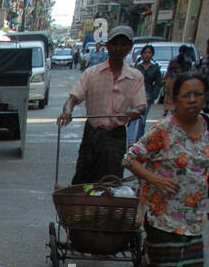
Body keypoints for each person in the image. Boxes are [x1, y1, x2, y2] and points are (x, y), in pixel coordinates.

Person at [120, 73, 209, 267]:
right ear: (174, 100)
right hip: (161, 213)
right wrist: (155, 179)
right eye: (186, 95)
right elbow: (130, 158)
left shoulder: (208, 125)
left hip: (194, 213)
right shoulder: (164, 129)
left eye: (198, 94)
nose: (192, 100)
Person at [57, 26, 148, 185]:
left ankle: (107, 208)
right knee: (83, 180)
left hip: (116, 135)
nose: (118, 48)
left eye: (123, 44)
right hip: (93, 134)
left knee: (112, 182)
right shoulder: (91, 73)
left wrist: (133, 112)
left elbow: (141, 106)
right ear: (108, 46)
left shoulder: (135, 77)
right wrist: (67, 112)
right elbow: (73, 97)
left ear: (129, 47)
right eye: (115, 44)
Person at [129, 44, 164, 143]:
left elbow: (158, 83)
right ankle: (130, 141)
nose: (147, 55)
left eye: (149, 53)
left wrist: (153, 96)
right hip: (135, 95)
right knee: (133, 117)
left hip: (147, 95)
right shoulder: (137, 67)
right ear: (142, 54)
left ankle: (139, 140)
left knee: (142, 120)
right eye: (145, 53)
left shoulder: (155, 68)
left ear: (152, 54)